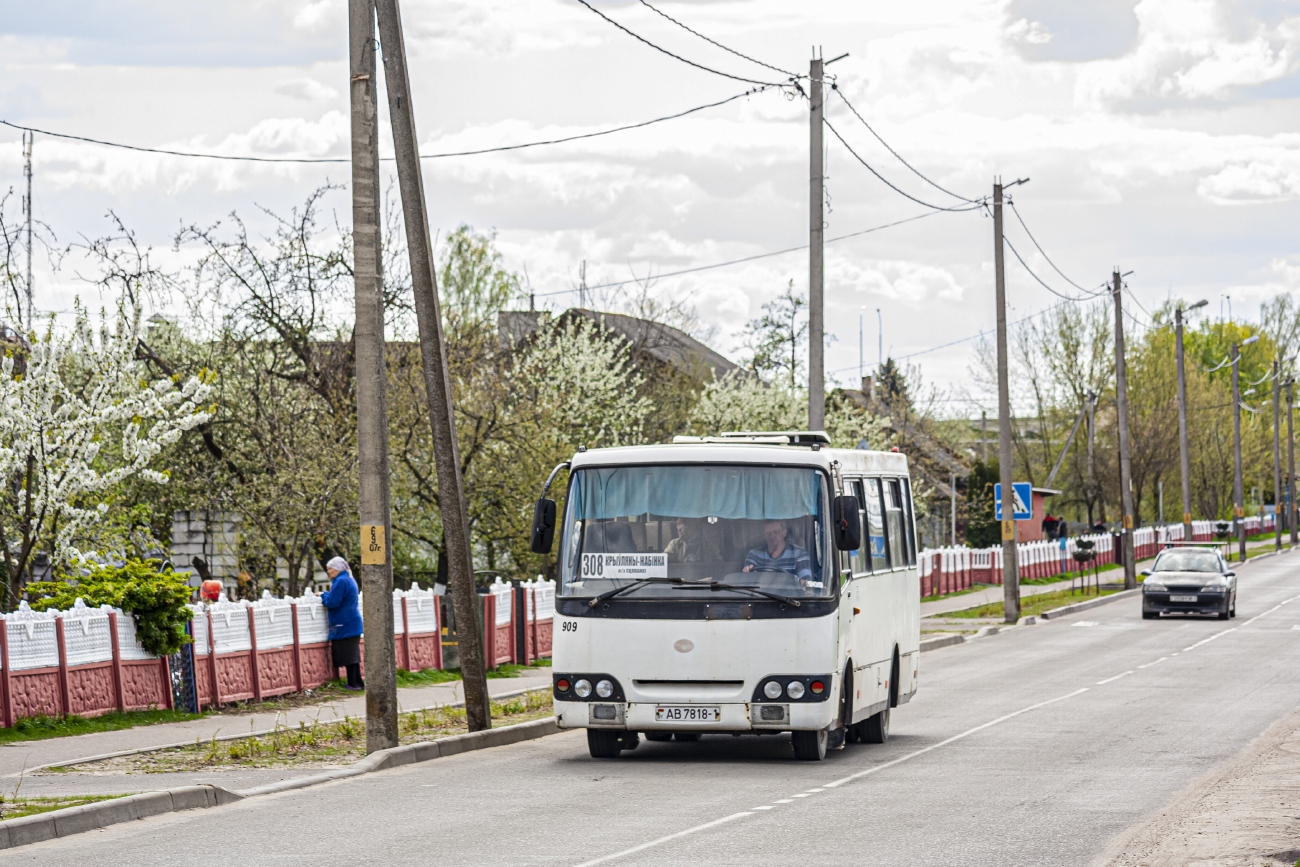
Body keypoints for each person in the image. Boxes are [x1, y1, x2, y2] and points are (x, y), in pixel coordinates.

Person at [321, 556, 364, 690]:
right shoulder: (349, 579)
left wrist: (323, 595)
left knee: (347, 655)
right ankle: (358, 682)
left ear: (337, 569)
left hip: (344, 623)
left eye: (330, 569)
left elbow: (333, 602)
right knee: (353, 654)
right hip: (352, 622)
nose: (328, 572)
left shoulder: (340, 581)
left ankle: (353, 684)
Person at [742, 520, 814, 583]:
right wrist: (747, 570)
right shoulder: (754, 554)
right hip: (761, 597)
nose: (772, 535)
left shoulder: (799, 554)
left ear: (784, 533)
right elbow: (748, 580)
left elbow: (805, 583)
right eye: (769, 533)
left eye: (776, 532)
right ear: (764, 535)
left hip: (790, 597)